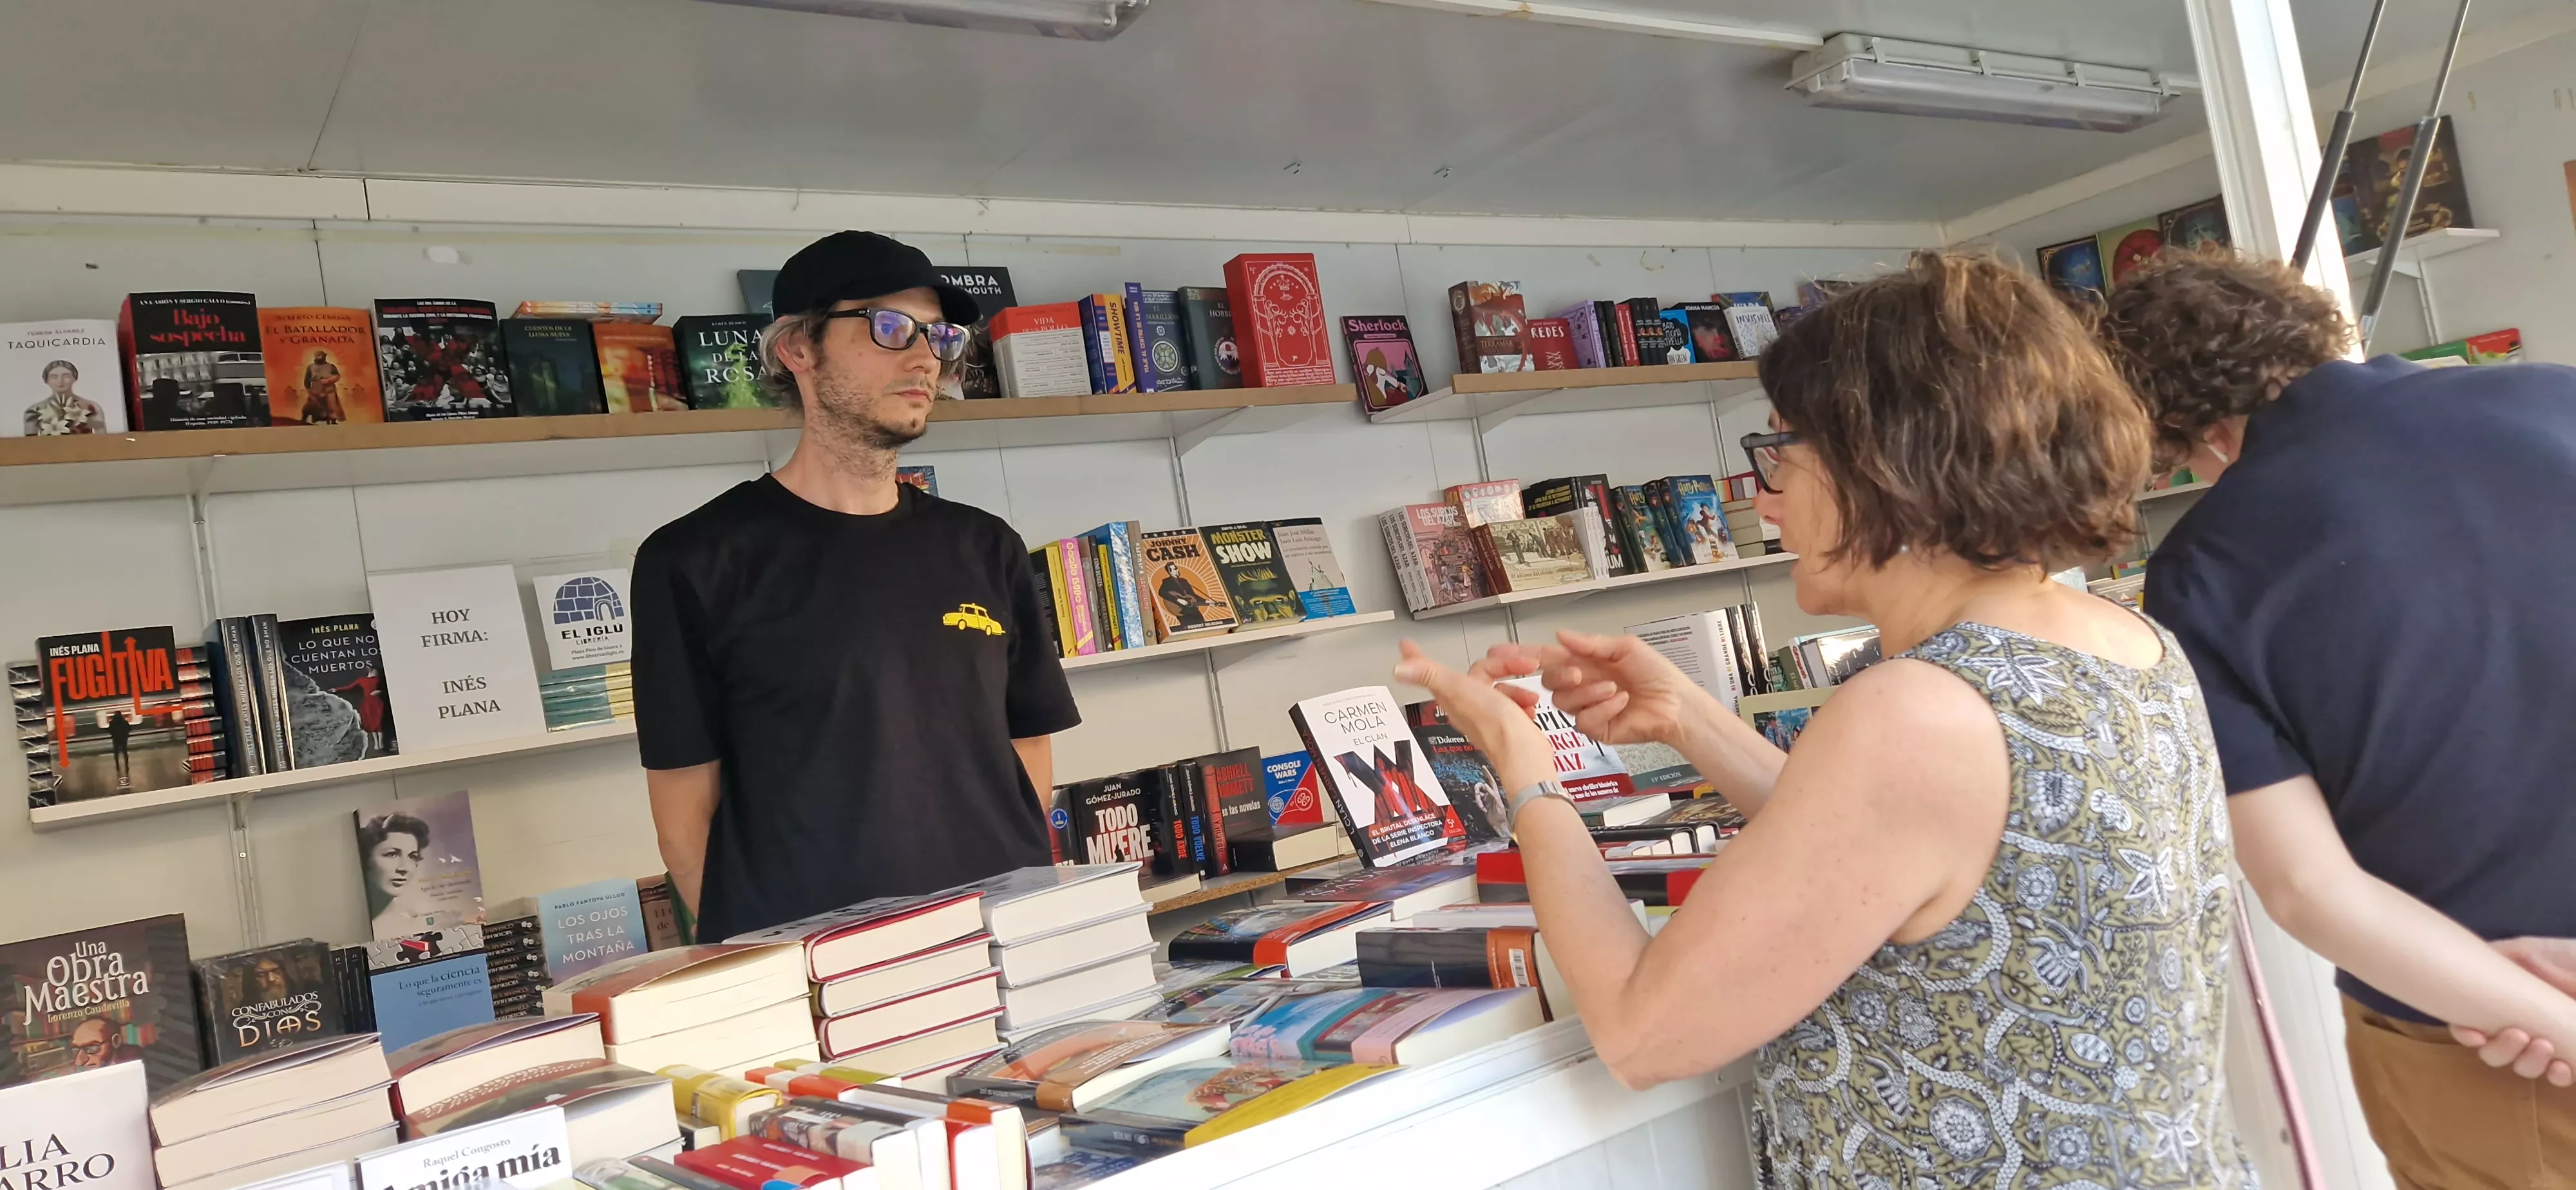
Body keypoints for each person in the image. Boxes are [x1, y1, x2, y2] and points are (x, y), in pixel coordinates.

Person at [1394, 252, 2255, 1185]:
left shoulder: (1918, 712)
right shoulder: (2121, 640)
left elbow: (1645, 1031)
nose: (1760, 496)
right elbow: (1906, 859)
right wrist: (1688, 716)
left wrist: (1527, 774)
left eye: (1778, 451)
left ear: (1882, 457)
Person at [2099, 250, 2576, 1187]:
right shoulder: (2562, 400)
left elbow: (2309, 889)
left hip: (2486, 1043)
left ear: (2180, 429)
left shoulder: (2203, 572)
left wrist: (2554, 1019)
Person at [634, 231, 1079, 943]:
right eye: (888, 326)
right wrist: (775, 971)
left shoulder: (983, 545)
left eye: (938, 335)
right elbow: (684, 821)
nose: (924, 357)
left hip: (997, 940)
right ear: (798, 350)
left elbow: (1026, 748)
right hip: (823, 970)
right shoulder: (694, 559)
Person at [357, 811, 435, 937]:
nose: (404, 868)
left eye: (413, 857)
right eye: (392, 854)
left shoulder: (417, 923)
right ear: (365, 859)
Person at [24, 359, 108, 435]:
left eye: (66, 376)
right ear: (46, 380)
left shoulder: (92, 408)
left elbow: (102, 439)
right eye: (54, 377)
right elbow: (30, 444)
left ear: (75, 378)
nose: (60, 381)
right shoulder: (34, 411)